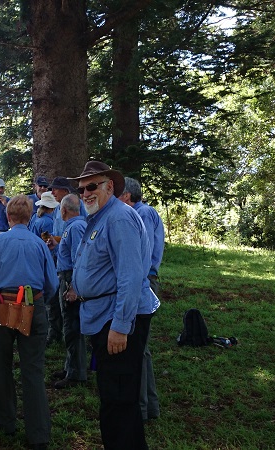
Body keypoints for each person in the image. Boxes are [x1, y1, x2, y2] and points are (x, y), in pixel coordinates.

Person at [70, 161, 156, 450]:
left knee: (118, 400)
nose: (85, 193)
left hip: (115, 320)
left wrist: (120, 326)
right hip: (102, 317)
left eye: (91, 186)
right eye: (81, 188)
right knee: (116, 398)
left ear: (110, 186)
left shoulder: (118, 218)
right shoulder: (101, 217)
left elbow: (131, 276)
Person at [0, 195, 58, 450]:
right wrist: (41, 304)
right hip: (34, 306)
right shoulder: (39, 244)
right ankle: (39, 434)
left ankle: (4, 422)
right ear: (30, 217)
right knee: (33, 370)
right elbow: (51, 284)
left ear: (8, 217)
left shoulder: (0, 242)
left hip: (3, 308)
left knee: (1, 364)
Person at [120, 176, 164, 421]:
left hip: (143, 282)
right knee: (140, 346)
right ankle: (148, 407)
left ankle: (144, 408)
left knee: (140, 346)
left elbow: (140, 254)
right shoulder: (141, 212)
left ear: (127, 196)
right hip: (142, 280)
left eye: (117, 193)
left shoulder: (142, 213)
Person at [48, 193, 88, 389]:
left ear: (63, 210)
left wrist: (73, 286)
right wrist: (57, 245)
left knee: (72, 325)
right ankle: (70, 366)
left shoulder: (76, 227)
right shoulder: (73, 227)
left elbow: (78, 259)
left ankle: (76, 373)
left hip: (69, 280)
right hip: (66, 277)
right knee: (69, 324)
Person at [43, 176, 75, 347]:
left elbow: (75, 237)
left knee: (68, 305)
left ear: (65, 190)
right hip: (56, 261)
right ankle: (54, 332)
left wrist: (57, 240)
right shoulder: (56, 210)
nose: (52, 192)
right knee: (54, 300)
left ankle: (71, 340)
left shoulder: (77, 208)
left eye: (55, 189)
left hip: (69, 265)